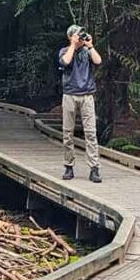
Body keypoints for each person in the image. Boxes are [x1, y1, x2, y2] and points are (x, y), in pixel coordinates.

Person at [58, 24, 102, 182]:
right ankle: (68, 166)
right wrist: (73, 45)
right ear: (70, 37)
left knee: (90, 133)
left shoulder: (87, 51)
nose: (80, 38)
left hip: (87, 95)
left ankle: (94, 168)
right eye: (77, 35)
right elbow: (65, 62)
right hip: (70, 95)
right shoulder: (64, 51)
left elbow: (98, 61)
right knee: (67, 133)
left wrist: (90, 46)